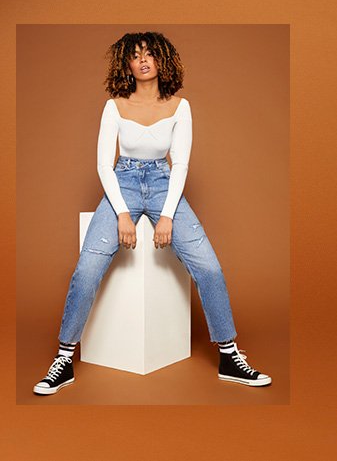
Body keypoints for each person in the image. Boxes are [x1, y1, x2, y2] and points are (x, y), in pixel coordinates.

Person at [33, 31, 271, 396]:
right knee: (86, 270)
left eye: (150, 54)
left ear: (162, 60)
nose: (143, 60)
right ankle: (64, 359)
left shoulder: (180, 106)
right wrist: (123, 214)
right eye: (136, 55)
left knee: (209, 267)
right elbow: (102, 164)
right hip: (122, 181)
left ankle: (228, 355)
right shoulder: (114, 105)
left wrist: (168, 215)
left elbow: (181, 165)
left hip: (163, 182)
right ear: (126, 64)